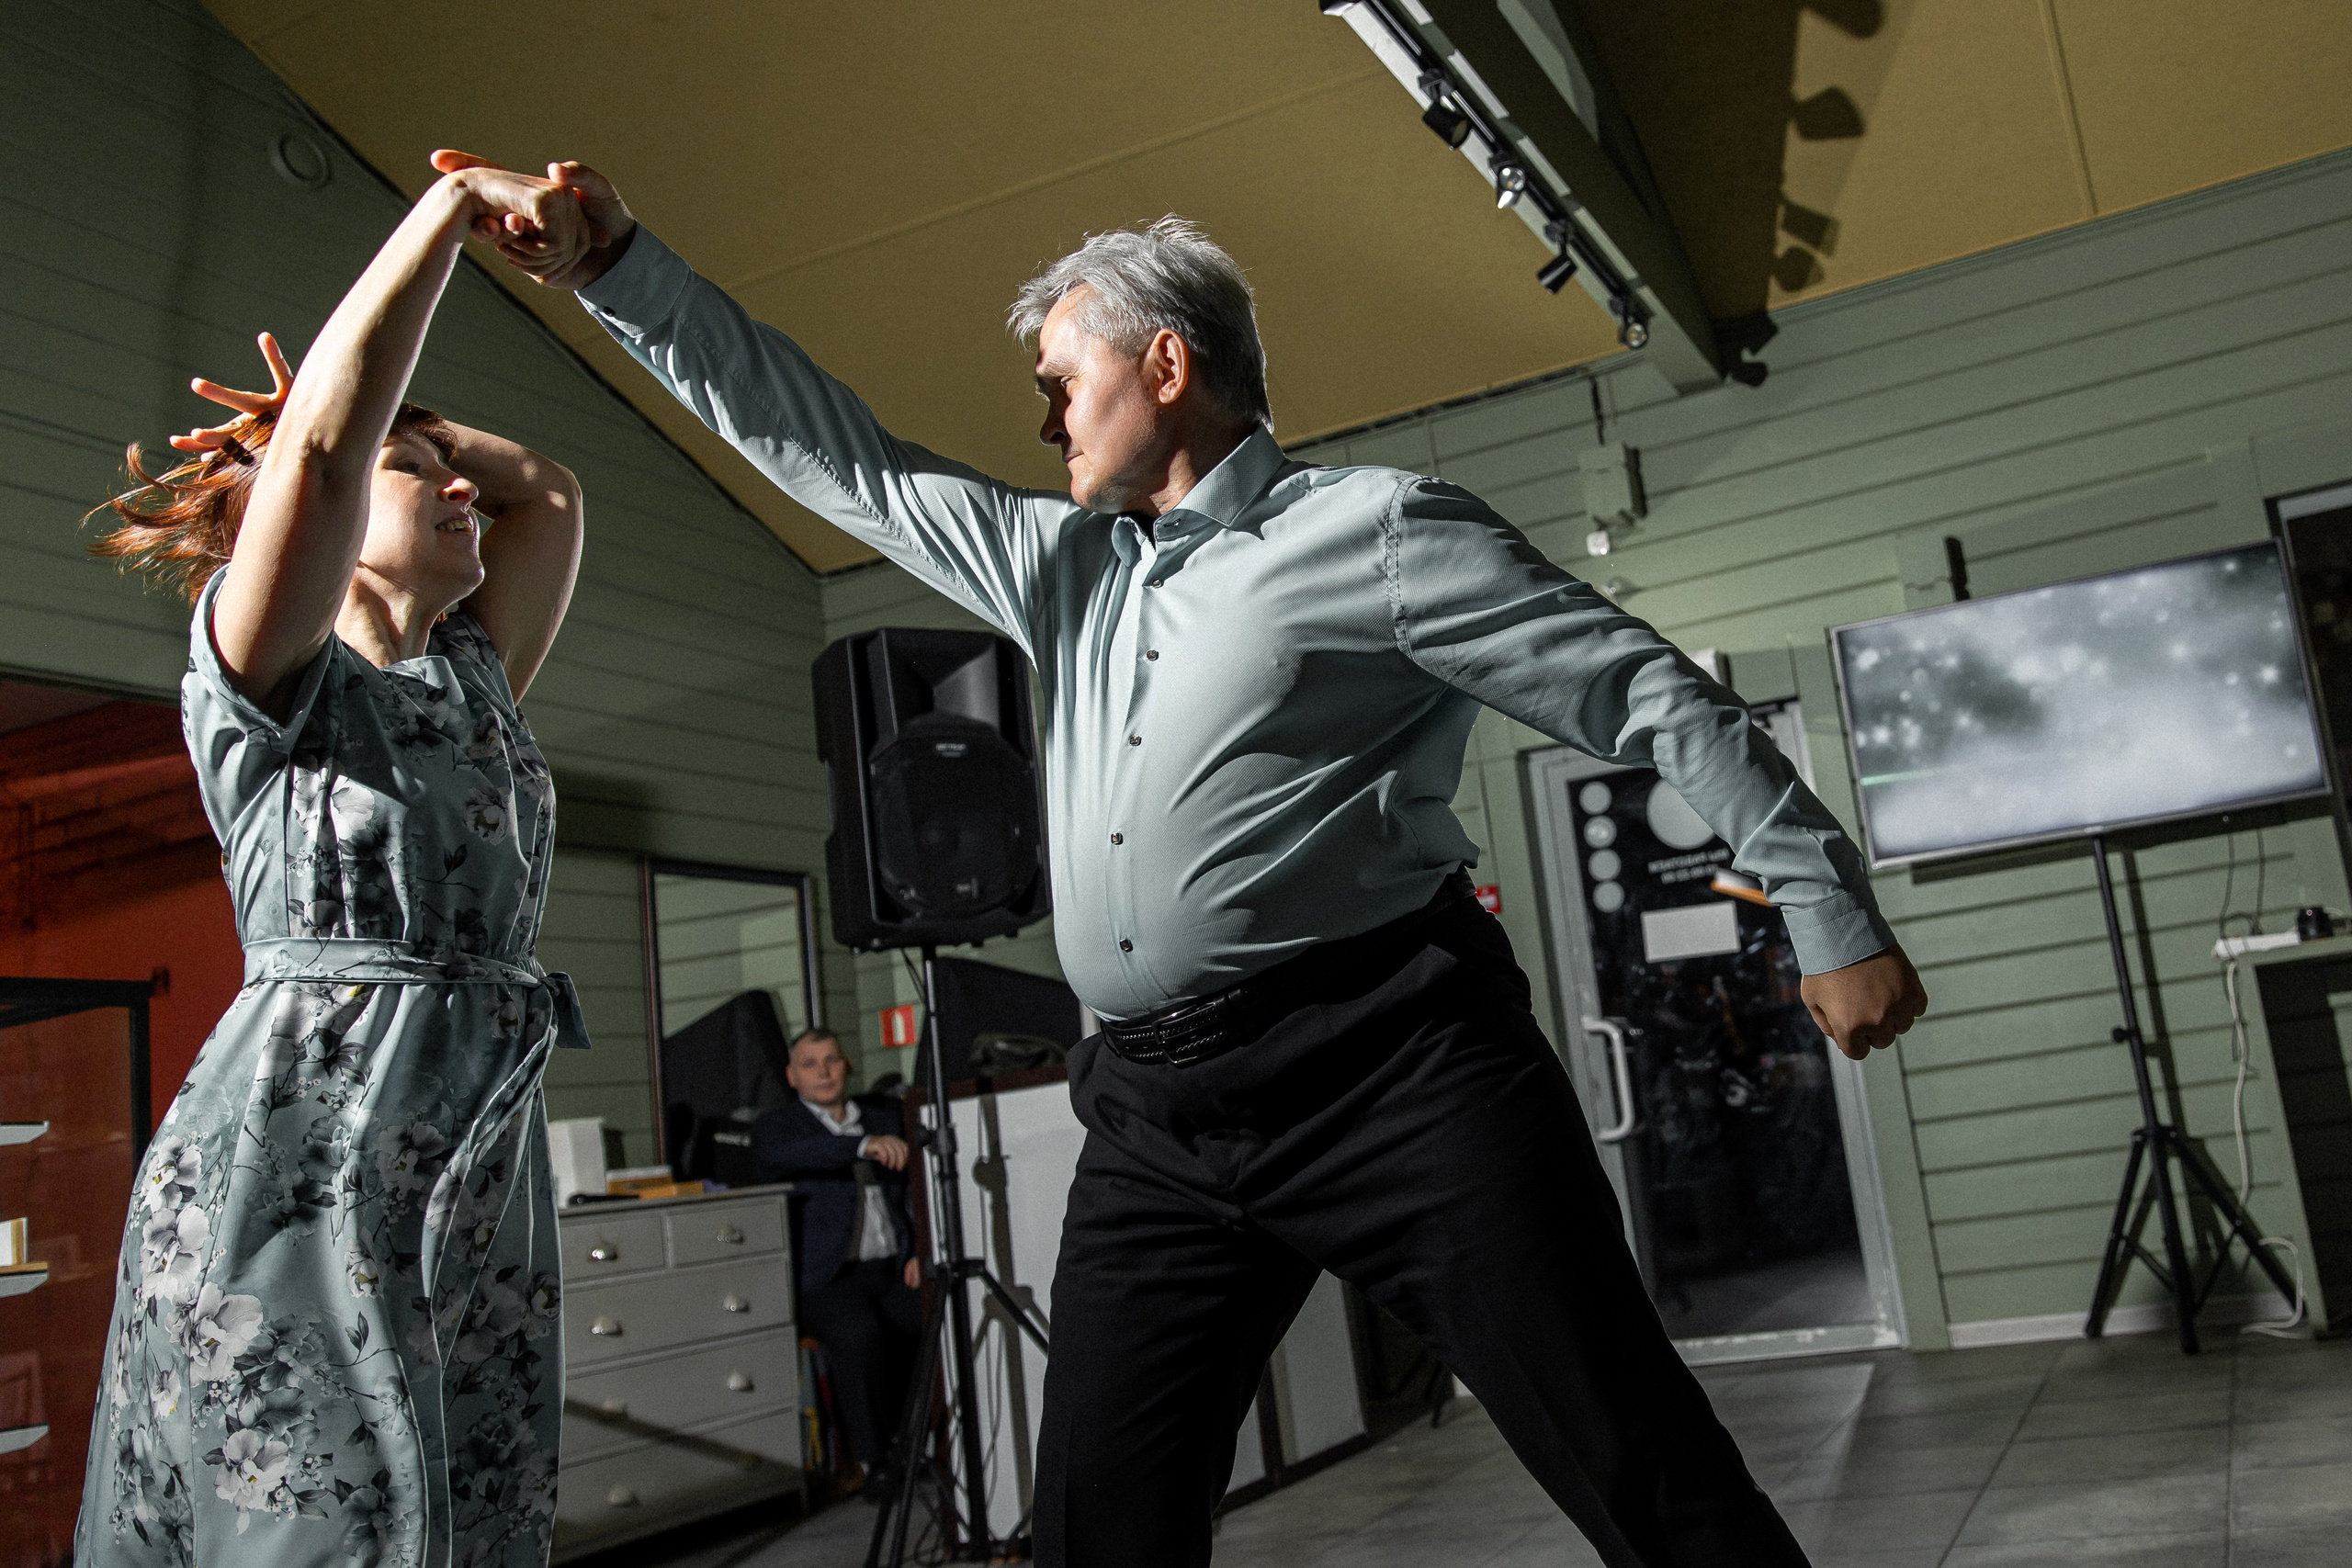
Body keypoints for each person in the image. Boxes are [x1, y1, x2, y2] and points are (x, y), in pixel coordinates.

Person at [467, 150, 1929, 1568]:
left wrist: (1821, 901)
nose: (1044, 420)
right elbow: (831, 448)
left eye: (1061, 381)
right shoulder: (1059, 566)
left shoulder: (1382, 531)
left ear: (1165, 366)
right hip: (1158, 1117)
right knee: (1102, 1525)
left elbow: (1644, 693)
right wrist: (617, 268)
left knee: (1639, 1461)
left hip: (1397, 1074)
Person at [76, 162, 594, 1567]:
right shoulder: (272, 676)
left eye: (444, 467)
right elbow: (313, 462)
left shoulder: (477, 675)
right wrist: (437, 233)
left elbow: (543, 483)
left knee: (466, 1506)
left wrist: (388, 427)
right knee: (324, 1518)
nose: (456, 486)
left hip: (474, 1164)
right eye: (414, 470)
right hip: (304, 1157)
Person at [750, 1029, 922, 1494]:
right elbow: (787, 1158)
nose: (823, 1072)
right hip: (826, 1278)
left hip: (890, 1268)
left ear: (846, 1066)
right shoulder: (777, 1129)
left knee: (934, 1315)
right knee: (857, 1333)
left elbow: (913, 1194)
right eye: (810, 1064)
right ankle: (873, 1461)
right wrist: (860, 1146)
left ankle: (923, 1443)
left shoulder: (886, 1118)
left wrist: (917, 1252)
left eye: (831, 1061)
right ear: (792, 1076)